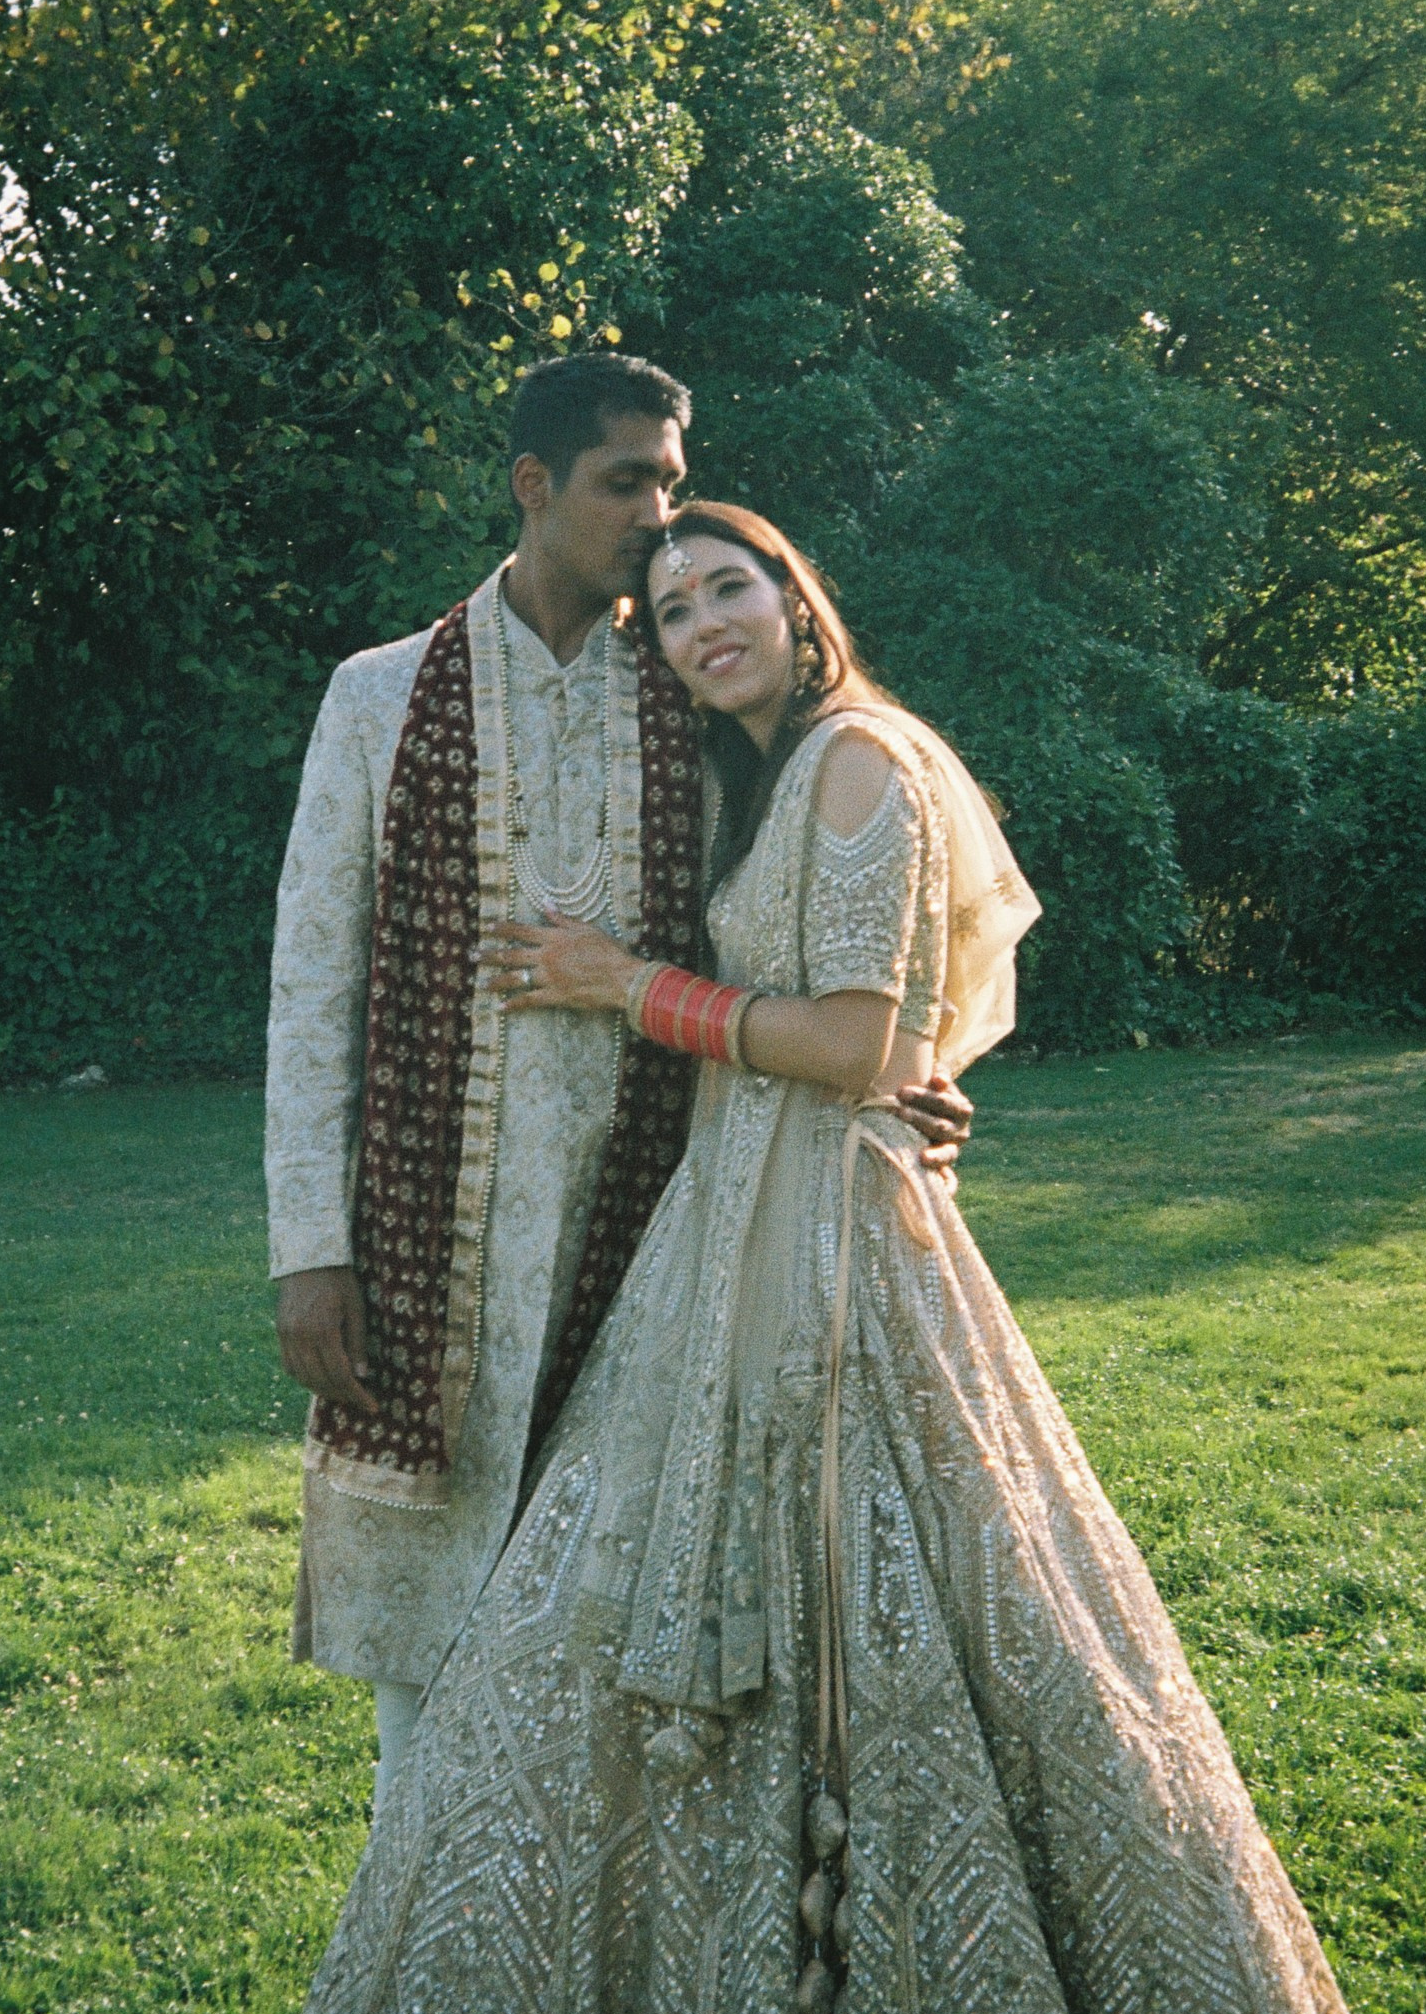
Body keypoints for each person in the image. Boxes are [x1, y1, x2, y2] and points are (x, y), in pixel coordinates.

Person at [258, 505, 1408, 2014]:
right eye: (671, 607)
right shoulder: (772, 771)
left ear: (802, 603)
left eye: (731, 587)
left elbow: (864, 1039)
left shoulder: (862, 757)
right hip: (733, 1230)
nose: (701, 622)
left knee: (908, 1621)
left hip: (831, 1254)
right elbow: (875, 1035)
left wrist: (627, 987)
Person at [264, 360, 970, 1825]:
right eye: (626, 481)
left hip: (665, 1232)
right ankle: (411, 1919)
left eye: (672, 480)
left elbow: (819, 925)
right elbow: (313, 984)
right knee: (425, 1637)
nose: (658, 515)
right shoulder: (382, 695)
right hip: (431, 1242)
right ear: (535, 486)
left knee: (602, 1629)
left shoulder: (696, 698)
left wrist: (909, 1075)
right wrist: (309, 1250)